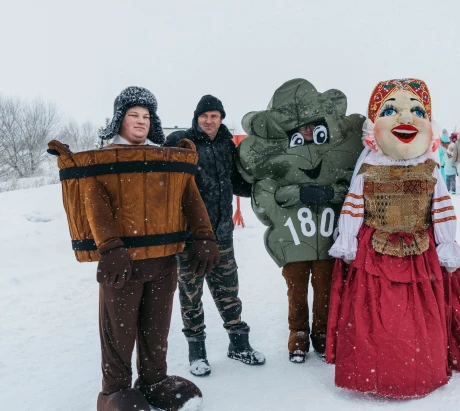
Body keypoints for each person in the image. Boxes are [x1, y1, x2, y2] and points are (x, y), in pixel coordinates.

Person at [326, 78, 460, 399]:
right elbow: (354, 203)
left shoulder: (429, 167)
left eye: (416, 110)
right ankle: (380, 367)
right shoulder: (370, 164)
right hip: (375, 246)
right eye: (391, 110)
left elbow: (441, 207)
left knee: (415, 315)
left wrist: (446, 244)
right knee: (376, 314)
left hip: (419, 249)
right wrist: (348, 238)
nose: (405, 118)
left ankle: (414, 366)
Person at [50, 86, 217, 411]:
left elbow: (189, 195)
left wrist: (204, 236)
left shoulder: (166, 160)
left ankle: (154, 380)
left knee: (157, 328)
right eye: (133, 115)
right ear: (119, 120)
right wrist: (110, 247)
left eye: (146, 116)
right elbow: (93, 201)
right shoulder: (103, 161)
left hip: (164, 262)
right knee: (119, 330)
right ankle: (114, 391)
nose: (140, 122)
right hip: (122, 266)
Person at [238, 78, 364, 363]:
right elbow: (267, 190)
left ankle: (320, 331)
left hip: (327, 235)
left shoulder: (334, 154)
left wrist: (329, 192)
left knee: (324, 287)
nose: (307, 130)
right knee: (296, 288)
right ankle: (298, 332)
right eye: (302, 126)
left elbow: (350, 187)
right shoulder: (282, 155)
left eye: (313, 124)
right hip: (293, 236)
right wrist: (300, 192)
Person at [163, 95, 265, 377]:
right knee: (190, 294)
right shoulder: (181, 142)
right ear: (196, 117)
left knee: (228, 291)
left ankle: (238, 345)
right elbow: (166, 183)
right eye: (205, 116)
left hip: (222, 235)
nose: (209, 121)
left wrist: (261, 184)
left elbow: (234, 181)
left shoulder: (225, 144)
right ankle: (197, 352)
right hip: (190, 237)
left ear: (221, 119)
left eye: (215, 116)